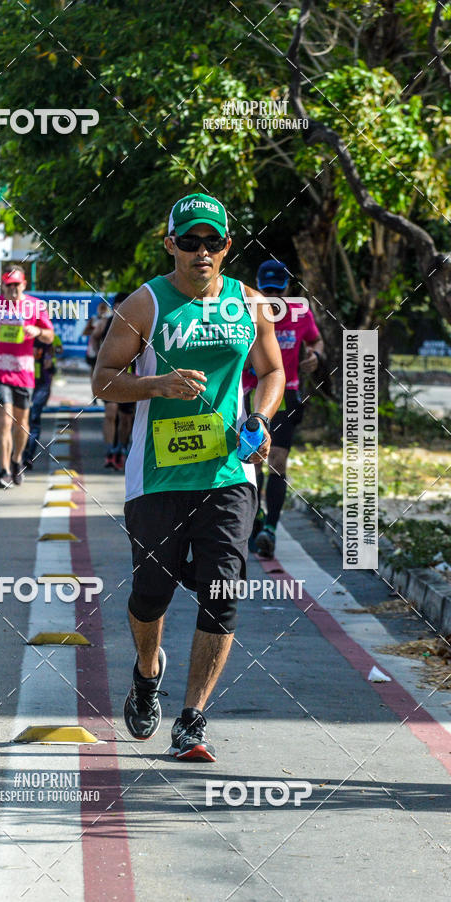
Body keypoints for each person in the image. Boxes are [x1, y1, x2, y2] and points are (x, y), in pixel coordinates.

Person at [93, 193, 284, 761]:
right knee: (151, 593)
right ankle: (147, 670)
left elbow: (272, 371)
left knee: (222, 593)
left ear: (227, 246)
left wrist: (260, 417)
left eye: (213, 241)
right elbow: (104, 380)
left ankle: (192, 719)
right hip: (157, 477)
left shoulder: (250, 303)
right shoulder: (145, 304)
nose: (203, 251)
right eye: (190, 241)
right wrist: (157, 385)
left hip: (229, 472)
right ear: (170, 244)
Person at [243, 260, 324, 559]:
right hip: (251, 393)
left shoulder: (301, 313)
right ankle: (256, 518)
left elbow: (316, 341)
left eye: (278, 290)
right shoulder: (244, 312)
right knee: (253, 461)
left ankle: (270, 529)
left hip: (287, 394)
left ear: (288, 288)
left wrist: (315, 356)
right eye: (267, 291)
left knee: (277, 460)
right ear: (258, 287)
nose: (272, 297)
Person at [0, 265, 54, 489]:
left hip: (23, 373)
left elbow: (50, 335)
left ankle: (17, 458)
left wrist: (38, 331)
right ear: (2, 286)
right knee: (5, 420)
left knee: (22, 424)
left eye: (16, 285)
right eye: (8, 286)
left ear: (24, 285)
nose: (12, 290)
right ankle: (3, 472)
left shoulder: (36, 306)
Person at [92, 292, 135, 471]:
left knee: (126, 418)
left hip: (130, 378)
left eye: (123, 305)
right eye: (117, 305)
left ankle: (122, 448)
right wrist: (99, 357)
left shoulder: (137, 322)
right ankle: (110, 450)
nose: (120, 309)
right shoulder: (106, 323)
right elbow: (94, 337)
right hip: (111, 376)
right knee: (111, 412)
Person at [23, 333, 63, 470]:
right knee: (25, 419)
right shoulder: (24, 335)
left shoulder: (49, 337)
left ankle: (27, 455)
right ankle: (23, 453)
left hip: (39, 384)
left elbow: (53, 358)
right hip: (25, 382)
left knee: (32, 419)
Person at [83, 300, 110, 385]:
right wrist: (96, 331)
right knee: (93, 367)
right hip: (94, 347)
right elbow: (85, 332)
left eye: (104, 309)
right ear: (98, 309)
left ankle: (103, 386)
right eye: (101, 308)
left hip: (105, 347)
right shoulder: (93, 319)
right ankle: (93, 386)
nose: (102, 311)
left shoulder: (109, 320)